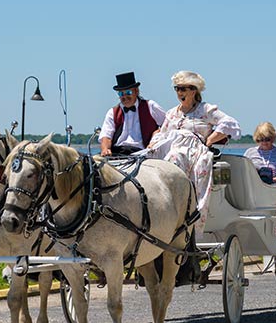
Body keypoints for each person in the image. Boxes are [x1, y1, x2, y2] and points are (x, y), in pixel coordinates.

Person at [147, 70, 241, 225]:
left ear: (193, 90)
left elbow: (230, 123)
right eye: (177, 88)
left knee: (175, 157)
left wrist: (210, 139)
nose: (179, 92)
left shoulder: (205, 110)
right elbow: (162, 133)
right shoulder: (171, 113)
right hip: (170, 148)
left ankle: (178, 203)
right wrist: (153, 142)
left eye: (183, 88)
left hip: (193, 150)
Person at [99, 71, 166, 156]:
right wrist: (105, 149)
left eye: (128, 93)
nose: (125, 97)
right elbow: (106, 136)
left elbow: (167, 125)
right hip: (117, 152)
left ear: (136, 91)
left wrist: (156, 138)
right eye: (121, 94)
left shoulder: (150, 106)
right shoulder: (113, 112)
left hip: (142, 153)